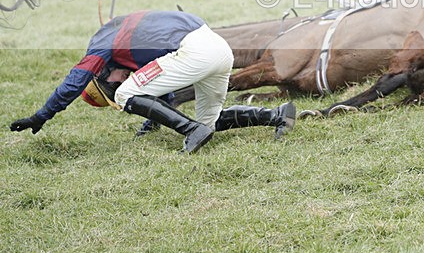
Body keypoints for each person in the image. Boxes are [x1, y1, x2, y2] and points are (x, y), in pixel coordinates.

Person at [9, 10, 295, 153]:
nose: (117, 83)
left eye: (109, 84)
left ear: (103, 73)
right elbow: (164, 84)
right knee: (211, 121)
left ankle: (191, 130)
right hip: (219, 48)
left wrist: (41, 116)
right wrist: (151, 122)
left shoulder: (101, 48)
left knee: (126, 96)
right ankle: (277, 115)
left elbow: (73, 83)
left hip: (196, 51)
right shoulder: (127, 28)